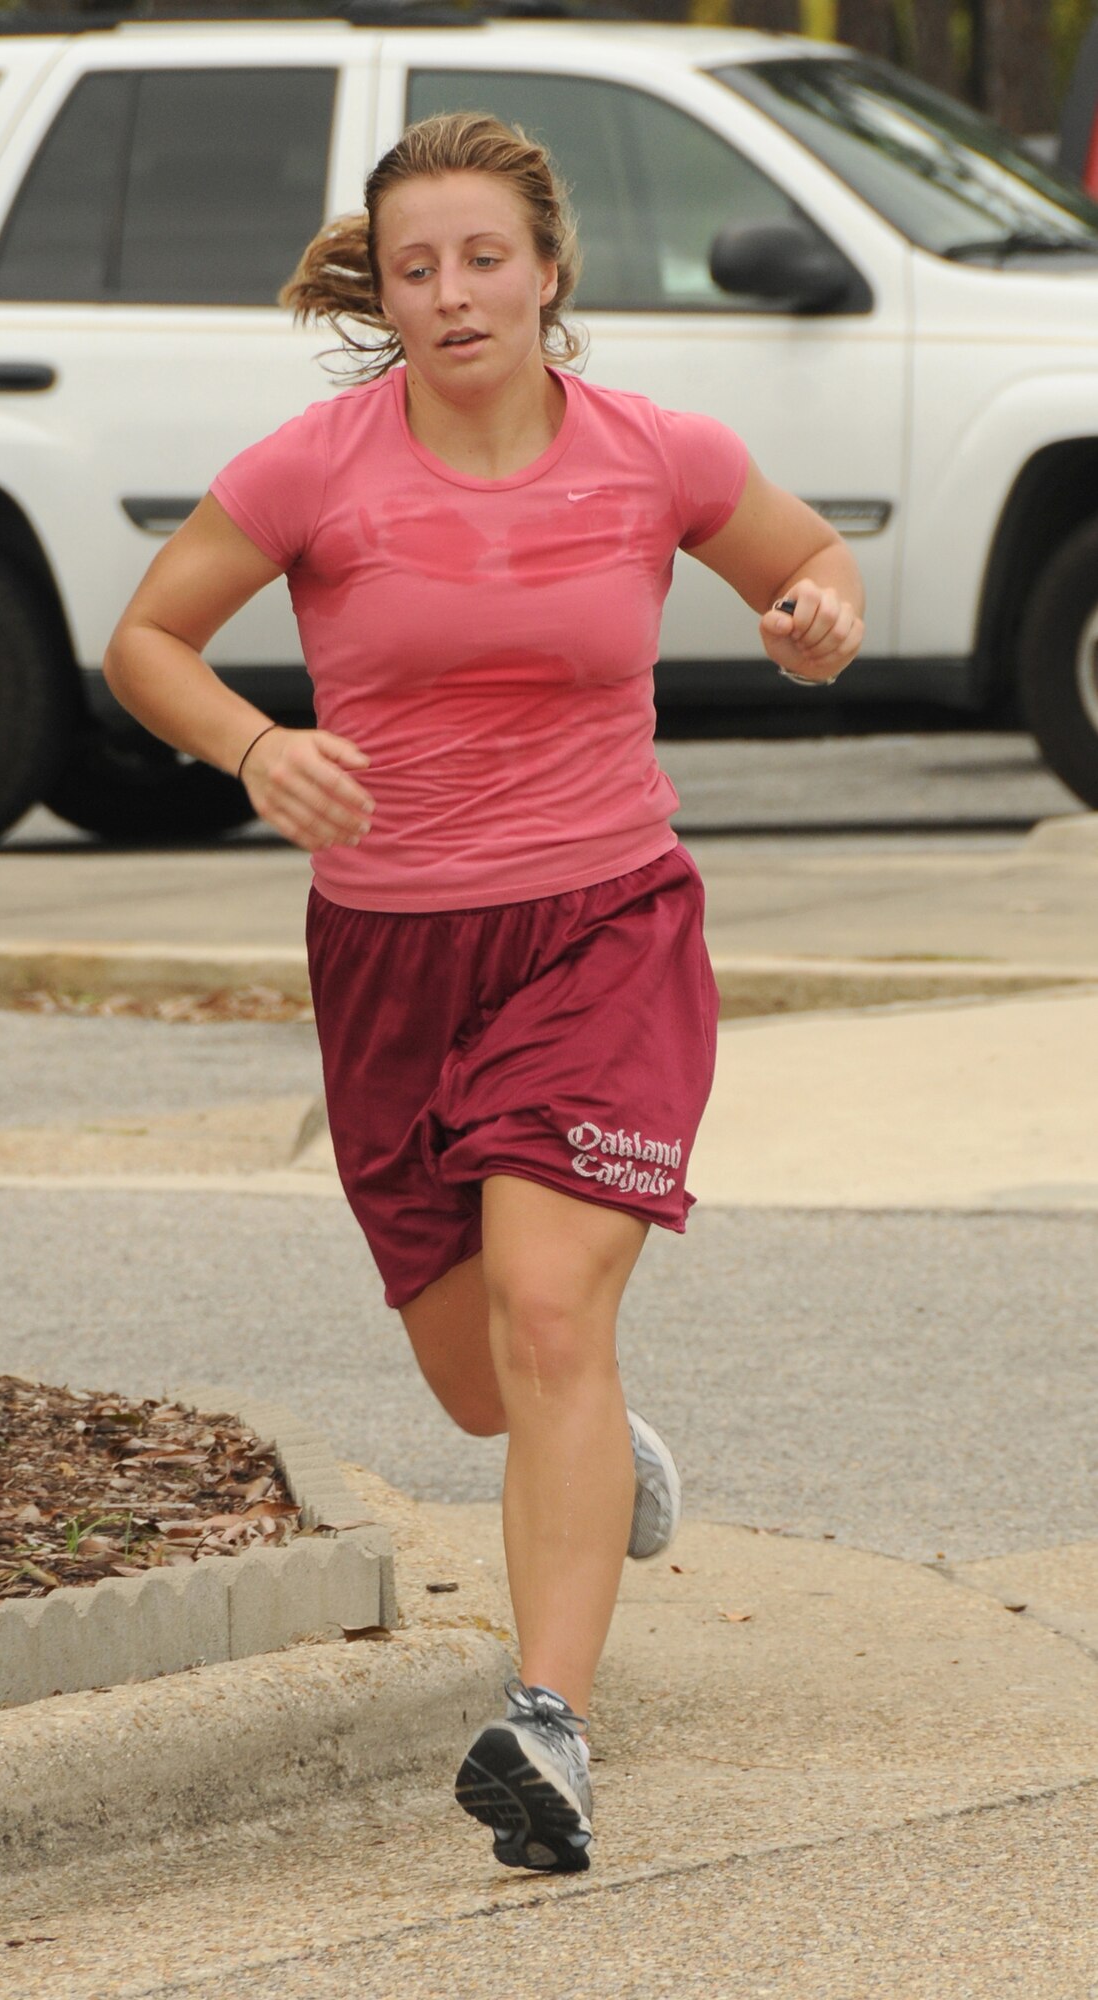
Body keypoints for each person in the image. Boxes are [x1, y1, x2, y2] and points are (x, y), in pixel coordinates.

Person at [103, 109, 865, 1877]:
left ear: (548, 270)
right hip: (390, 954)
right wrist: (253, 744)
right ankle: (595, 1447)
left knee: (545, 1308)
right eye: (416, 265)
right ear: (384, 285)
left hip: (604, 928)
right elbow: (150, 639)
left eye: (485, 258)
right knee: (481, 1382)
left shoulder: (654, 452)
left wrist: (813, 613)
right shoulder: (315, 468)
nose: (453, 294)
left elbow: (805, 568)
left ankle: (548, 1728)